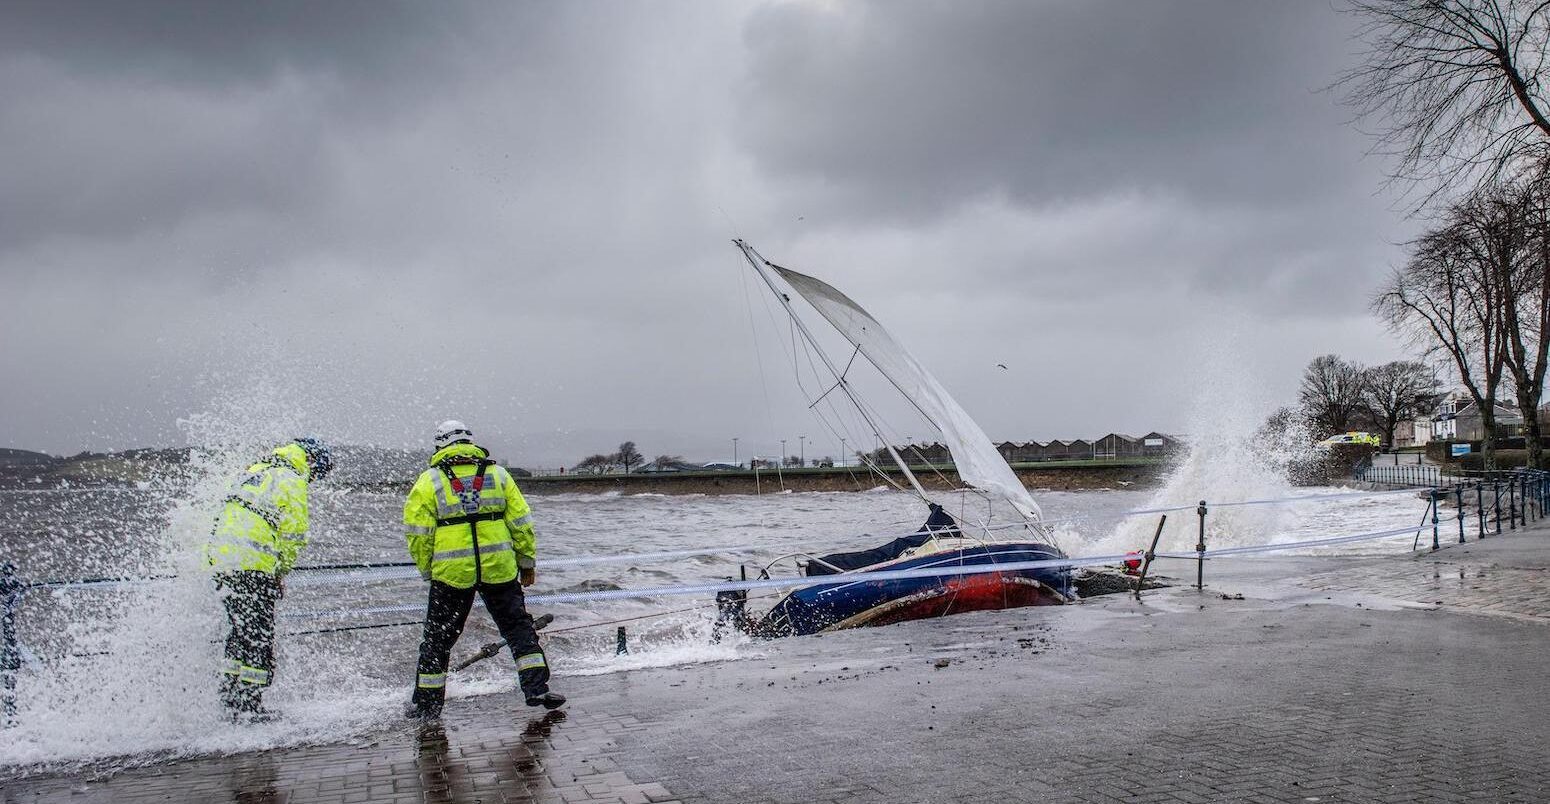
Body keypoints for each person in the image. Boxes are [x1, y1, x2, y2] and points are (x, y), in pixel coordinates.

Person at [404, 421, 564, 720]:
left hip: (451, 573)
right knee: (519, 629)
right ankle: (537, 689)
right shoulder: (499, 476)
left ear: (440, 446)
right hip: (500, 569)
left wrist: (428, 570)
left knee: (438, 638)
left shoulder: (428, 482)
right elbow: (522, 524)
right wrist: (526, 563)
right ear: (470, 443)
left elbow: (418, 535)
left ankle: (427, 705)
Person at [207, 437, 333, 721]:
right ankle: (251, 707)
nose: (311, 480)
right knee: (259, 636)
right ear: (310, 461)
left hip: (222, 561)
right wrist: (279, 572)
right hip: (253, 565)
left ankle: (230, 699)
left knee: (239, 630)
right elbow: (293, 537)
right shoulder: (291, 480)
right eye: (315, 474)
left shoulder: (254, 470)